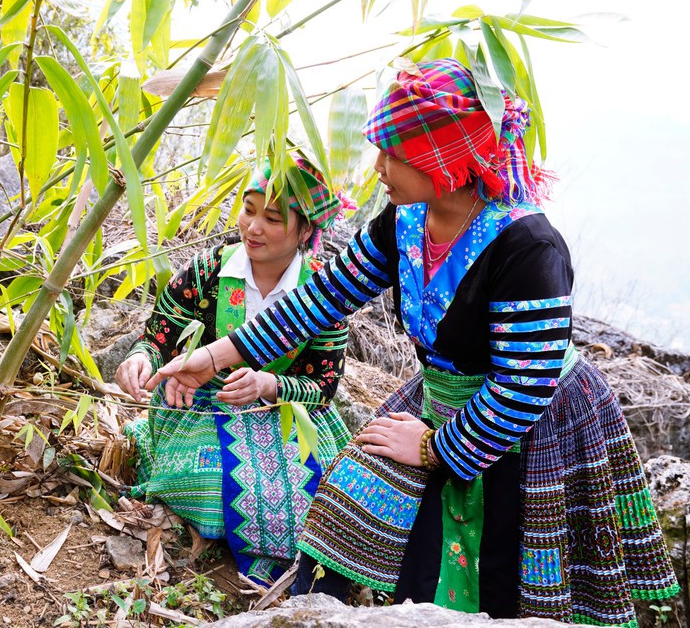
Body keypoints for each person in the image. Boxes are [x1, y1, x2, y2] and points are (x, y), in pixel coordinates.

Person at [145, 59, 678, 625]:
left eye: (394, 154)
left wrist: (433, 448)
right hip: (442, 396)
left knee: (509, 579)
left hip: (533, 423)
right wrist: (210, 358)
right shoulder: (403, 222)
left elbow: (526, 384)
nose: (379, 167)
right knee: (347, 509)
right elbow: (320, 299)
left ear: (442, 157)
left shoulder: (527, 247)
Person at [116, 156, 351, 586]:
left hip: (286, 409)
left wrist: (269, 382)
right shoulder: (208, 271)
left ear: (305, 232)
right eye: (248, 209)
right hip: (201, 402)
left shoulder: (323, 292)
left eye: (273, 218)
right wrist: (142, 357)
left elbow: (324, 384)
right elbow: (159, 334)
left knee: (318, 497)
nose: (253, 227)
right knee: (208, 485)